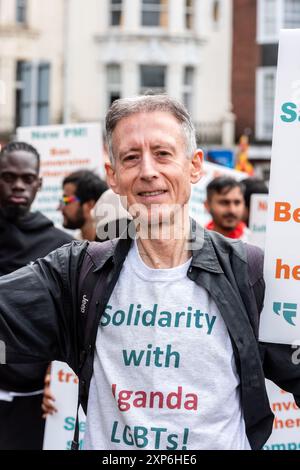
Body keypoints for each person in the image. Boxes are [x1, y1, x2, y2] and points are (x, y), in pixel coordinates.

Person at [0, 95, 300, 451]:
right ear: (113, 176)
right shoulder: (76, 273)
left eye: (162, 153)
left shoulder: (249, 273)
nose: (147, 171)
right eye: (130, 157)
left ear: (194, 166)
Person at [0, 141, 73, 450]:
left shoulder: (62, 248)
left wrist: (61, 376)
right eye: (8, 176)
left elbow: (69, 324)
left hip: (35, 403)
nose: (18, 185)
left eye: (27, 178)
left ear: (39, 184)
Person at [59, 170, 107, 241]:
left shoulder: (113, 245)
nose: (60, 208)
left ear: (89, 205)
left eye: (66, 201)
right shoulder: (75, 243)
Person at [204, 176, 250, 241]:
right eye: (224, 202)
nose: (232, 210)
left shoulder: (254, 242)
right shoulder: (196, 243)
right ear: (207, 205)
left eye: (237, 203)